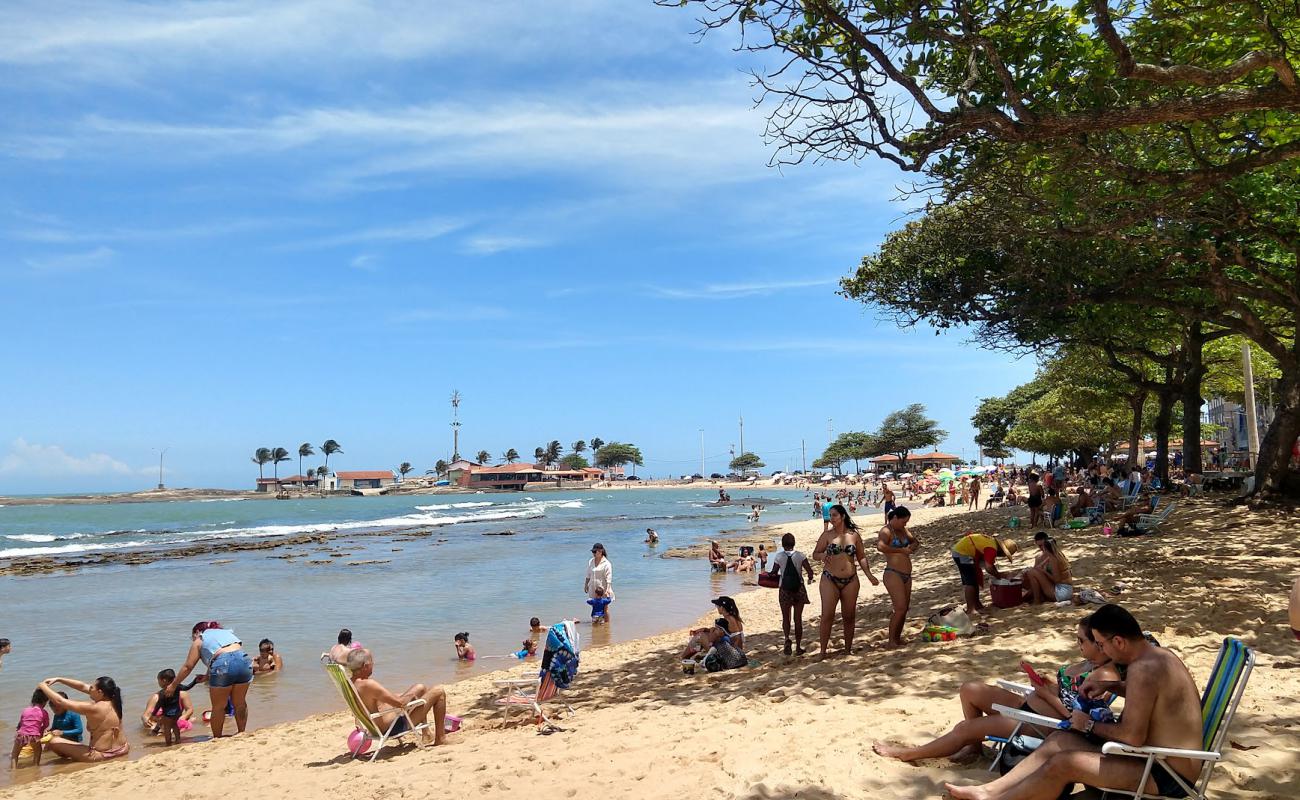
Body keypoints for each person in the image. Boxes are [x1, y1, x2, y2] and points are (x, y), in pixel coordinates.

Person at [945, 604, 1206, 800]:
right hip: (1156, 760)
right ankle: (988, 791)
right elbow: (1151, 697)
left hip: (1165, 775)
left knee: (1064, 763)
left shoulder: (1143, 670)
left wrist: (1088, 725)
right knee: (1060, 740)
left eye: (1103, 645)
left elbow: (1133, 737)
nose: (1102, 652)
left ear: (1119, 641)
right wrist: (1111, 686)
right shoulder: (1159, 657)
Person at [874, 616, 1118, 762]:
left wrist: (1044, 693)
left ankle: (907, 754)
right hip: (1030, 706)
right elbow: (1066, 694)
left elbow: (1072, 717)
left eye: (1082, 641)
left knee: (965, 728)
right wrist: (1048, 683)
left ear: (1100, 644)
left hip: (1042, 723)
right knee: (970, 689)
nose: (1078, 645)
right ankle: (974, 748)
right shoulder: (1088, 663)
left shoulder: (1103, 675)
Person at [812, 504, 880, 657]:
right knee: (827, 615)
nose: (831, 519)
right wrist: (822, 556)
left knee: (849, 616)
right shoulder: (827, 536)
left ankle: (848, 649)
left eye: (834, 515)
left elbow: (861, 557)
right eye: (830, 515)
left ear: (842, 516)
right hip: (830, 579)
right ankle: (823, 651)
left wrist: (869, 575)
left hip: (851, 580)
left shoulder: (853, 535)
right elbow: (815, 554)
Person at [167, 620, 252, 738]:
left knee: (218, 706)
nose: (192, 639)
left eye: (192, 636)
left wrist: (173, 685)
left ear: (197, 631)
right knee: (240, 702)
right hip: (244, 660)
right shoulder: (226, 633)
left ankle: (217, 737)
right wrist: (207, 676)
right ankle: (241, 732)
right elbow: (227, 653)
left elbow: (188, 666)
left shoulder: (200, 639)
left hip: (223, 663)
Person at [345, 648, 447, 746]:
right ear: (365, 666)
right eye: (372, 662)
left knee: (420, 688)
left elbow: (377, 701)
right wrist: (411, 695)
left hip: (378, 725)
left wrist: (405, 696)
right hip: (393, 727)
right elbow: (400, 703)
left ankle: (427, 734)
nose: (373, 664)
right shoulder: (368, 684)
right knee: (439, 691)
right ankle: (440, 738)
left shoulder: (350, 683)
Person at [36, 676, 128, 763]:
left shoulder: (95, 708)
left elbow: (60, 702)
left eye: (91, 688)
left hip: (101, 755)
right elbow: (82, 686)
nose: (89, 689)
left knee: (53, 741)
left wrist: (43, 686)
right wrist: (59, 679)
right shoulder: (114, 700)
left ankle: (70, 761)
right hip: (123, 749)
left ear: (100, 692)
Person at [877, 506, 919, 648]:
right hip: (893, 573)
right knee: (899, 608)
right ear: (895, 518)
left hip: (906, 574)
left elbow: (915, 541)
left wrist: (911, 548)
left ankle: (897, 637)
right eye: (903, 521)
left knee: (904, 608)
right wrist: (901, 550)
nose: (905, 524)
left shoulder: (903, 530)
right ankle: (891, 641)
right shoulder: (886, 531)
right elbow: (881, 546)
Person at [768, 533, 815, 655]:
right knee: (797, 619)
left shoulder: (779, 556)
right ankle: (798, 647)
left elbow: (774, 572)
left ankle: (787, 639)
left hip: (784, 590)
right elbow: (810, 572)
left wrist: (767, 575)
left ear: (783, 544)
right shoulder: (800, 556)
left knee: (786, 617)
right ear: (794, 543)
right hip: (799, 589)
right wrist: (810, 578)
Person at [951, 533, 1018, 615]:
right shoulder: (992, 549)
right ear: (1002, 551)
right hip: (962, 553)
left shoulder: (991, 543)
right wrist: (999, 576)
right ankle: (970, 609)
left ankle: (977, 605)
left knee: (974, 580)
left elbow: (989, 564)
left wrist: (998, 574)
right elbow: (989, 568)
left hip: (962, 550)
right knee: (970, 582)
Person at [140, 669, 193, 745]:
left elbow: (190, 710)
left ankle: (172, 741)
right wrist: (146, 720)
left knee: (177, 725)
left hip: (175, 720)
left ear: (163, 681)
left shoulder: (182, 694)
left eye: (158, 681)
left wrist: (183, 717)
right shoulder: (156, 697)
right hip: (158, 724)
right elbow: (146, 715)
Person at [1022, 532, 1073, 604]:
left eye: (1042, 546)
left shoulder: (1054, 558)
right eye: (1039, 546)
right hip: (1066, 590)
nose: (1042, 548)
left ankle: (1037, 600)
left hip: (1061, 592)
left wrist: (1043, 571)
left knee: (1031, 572)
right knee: (1030, 574)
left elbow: (1057, 580)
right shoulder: (1057, 555)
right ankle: (1033, 597)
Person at [11, 690, 49, 767]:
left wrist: (18, 730)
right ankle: (35, 767)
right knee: (38, 751)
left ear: (33, 700)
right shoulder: (43, 712)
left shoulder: (25, 710)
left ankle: (13, 770)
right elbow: (46, 724)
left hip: (21, 735)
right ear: (44, 702)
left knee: (15, 754)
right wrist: (41, 732)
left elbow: (21, 723)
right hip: (34, 735)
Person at [584, 542, 614, 614]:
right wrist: (586, 585)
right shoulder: (591, 561)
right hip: (593, 588)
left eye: (595, 551)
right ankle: (597, 622)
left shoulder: (606, 563)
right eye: (593, 552)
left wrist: (608, 589)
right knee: (595, 608)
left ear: (600, 551)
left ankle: (607, 624)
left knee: (605, 608)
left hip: (602, 589)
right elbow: (588, 574)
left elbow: (609, 578)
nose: (593, 553)